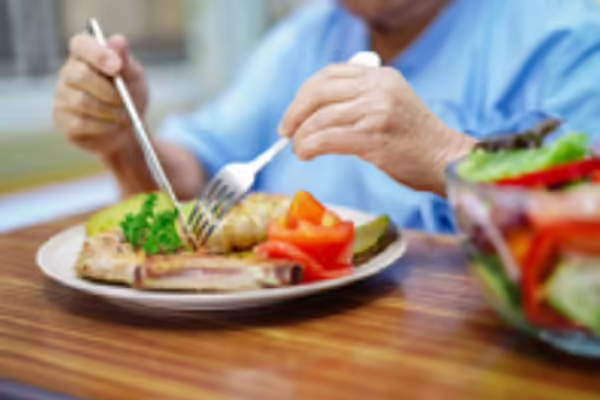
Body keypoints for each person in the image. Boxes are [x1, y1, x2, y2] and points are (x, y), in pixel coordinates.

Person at [54, 0, 600, 233]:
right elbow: (195, 177)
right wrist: (125, 141)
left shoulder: (568, 31)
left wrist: (444, 156)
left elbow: (586, 224)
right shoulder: (306, 36)